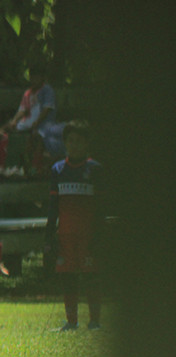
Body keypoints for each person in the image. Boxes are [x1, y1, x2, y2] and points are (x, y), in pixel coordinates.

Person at [45, 121, 103, 331]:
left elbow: (101, 207)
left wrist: (100, 235)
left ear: (87, 143)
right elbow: (53, 207)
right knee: (68, 278)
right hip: (66, 236)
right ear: (65, 143)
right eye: (70, 140)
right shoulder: (58, 170)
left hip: (89, 235)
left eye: (78, 141)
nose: (74, 145)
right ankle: (71, 321)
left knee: (91, 277)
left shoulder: (95, 170)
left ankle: (95, 321)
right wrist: (49, 236)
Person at [8, 67, 65, 172]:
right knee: (7, 130)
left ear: (42, 78)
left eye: (37, 77)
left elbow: (47, 109)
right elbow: (22, 109)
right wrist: (14, 120)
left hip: (45, 123)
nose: (34, 80)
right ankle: (12, 166)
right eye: (32, 77)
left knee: (39, 136)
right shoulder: (28, 93)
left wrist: (37, 122)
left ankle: (35, 166)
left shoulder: (47, 90)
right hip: (28, 122)